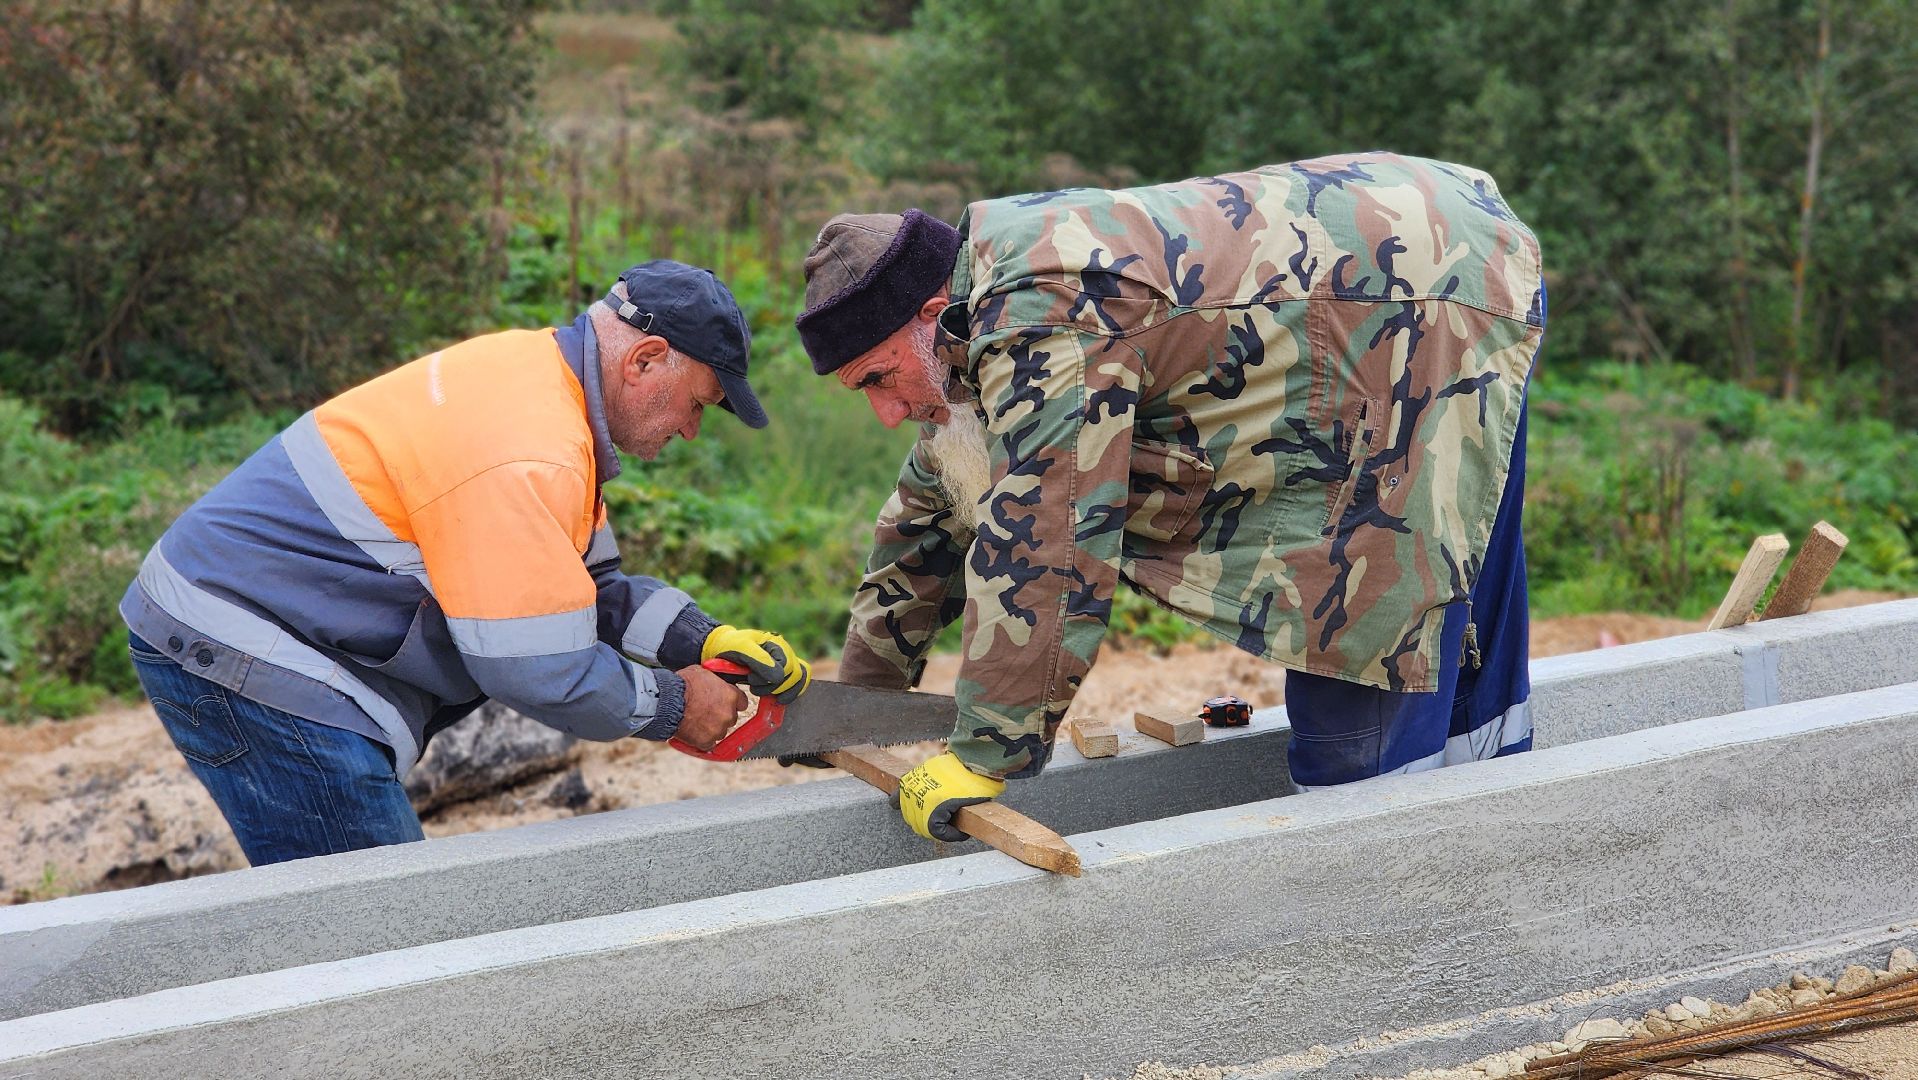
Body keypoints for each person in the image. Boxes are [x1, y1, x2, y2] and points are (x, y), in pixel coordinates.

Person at [794, 153, 1543, 842]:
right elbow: (928, 520)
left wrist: (987, 752)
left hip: (1427, 284)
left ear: (928, 318)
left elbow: (1051, 538)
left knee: (1360, 615)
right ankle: (1491, 841)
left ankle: (1392, 884)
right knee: (1452, 585)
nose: (886, 412)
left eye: (877, 380)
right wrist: (859, 707)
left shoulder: (1041, 316)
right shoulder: (971, 321)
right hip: (1418, 255)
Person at [120, 261, 810, 865]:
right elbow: (538, 667)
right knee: (381, 934)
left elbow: (590, 593)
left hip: (257, 625)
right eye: (696, 405)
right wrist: (674, 705)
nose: (690, 430)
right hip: (243, 643)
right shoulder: (530, 448)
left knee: (371, 930)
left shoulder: (546, 392)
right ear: (645, 359)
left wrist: (703, 638)